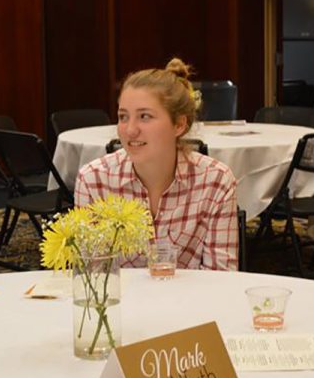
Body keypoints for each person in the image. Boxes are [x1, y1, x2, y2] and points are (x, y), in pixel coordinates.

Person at [75, 58, 238, 270]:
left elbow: (221, 280)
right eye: (123, 117)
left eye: (145, 116)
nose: (130, 130)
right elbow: (92, 278)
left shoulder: (215, 181)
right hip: (122, 302)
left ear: (179, 124)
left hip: (191, 302)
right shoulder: (94, 180)